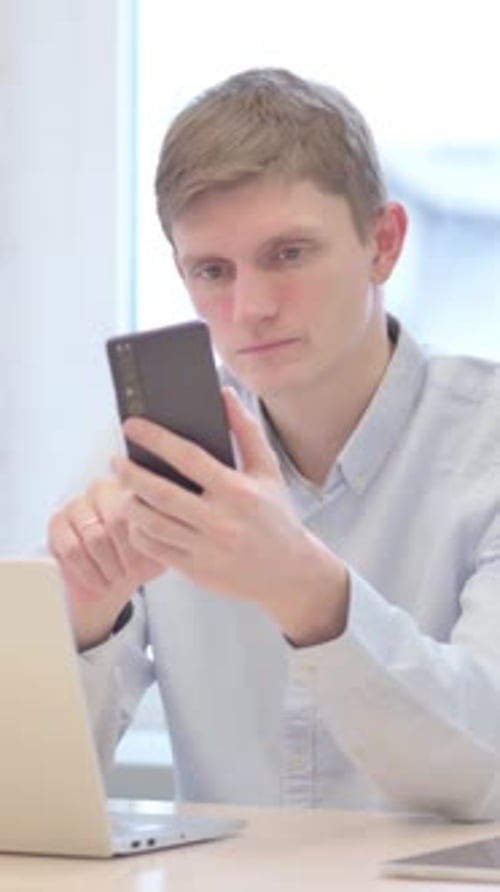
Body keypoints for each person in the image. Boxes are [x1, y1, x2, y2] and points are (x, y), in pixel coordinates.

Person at [49, 68, 500, 819]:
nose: (250, 308)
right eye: (212, 270)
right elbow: (24, 794)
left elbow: (491, 772)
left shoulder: (487, 444)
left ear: (382, 243)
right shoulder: (150, 449)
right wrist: (87, 622)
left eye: (289, 254)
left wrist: (308, 593)